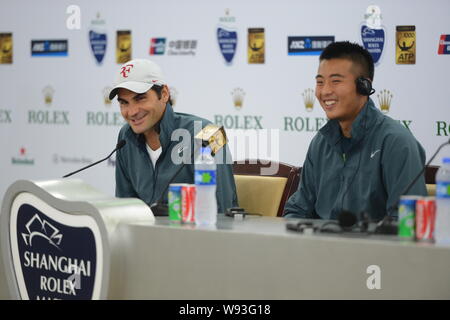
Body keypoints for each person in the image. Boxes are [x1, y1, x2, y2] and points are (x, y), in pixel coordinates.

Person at [283, 41, 427, 221]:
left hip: (375, 248)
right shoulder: (320, 142)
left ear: (364, 86)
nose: (325, 91)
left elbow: (408, 222)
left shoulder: (396, 142)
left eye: (336, 81)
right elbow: (297, 210)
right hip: (319, 247)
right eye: (320, 82)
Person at [109, 59, 238, 213]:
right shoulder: (126, 136)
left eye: (140, 98)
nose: (132, 112)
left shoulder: (210, 133)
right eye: (124, 103)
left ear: (164, 94)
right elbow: (125, 208)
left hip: (199, 234)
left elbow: (223, 210)